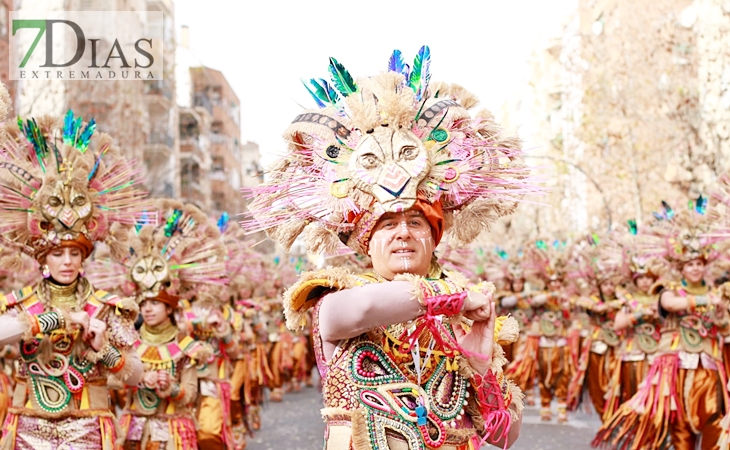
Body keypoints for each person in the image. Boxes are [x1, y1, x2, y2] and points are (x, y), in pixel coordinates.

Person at [244, 45, 534, 449]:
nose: (403, 233)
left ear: (434, 238)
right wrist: (449, 298)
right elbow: (361, 311)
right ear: (365, 240)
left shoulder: (466, 316)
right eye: (387, 225)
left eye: (416, 222)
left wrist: (480, 365)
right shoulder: (336, 296)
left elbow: (504, 437)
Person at [0, 101, 146, 449]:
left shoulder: (108, 307)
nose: (66, 261)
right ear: (43, 258)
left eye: (74, 253)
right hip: (28, 429)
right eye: (58, 253)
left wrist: (103, 349)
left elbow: (137, 376)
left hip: (88, 430)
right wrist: (54, 319)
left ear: (84, 257)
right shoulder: (21, 304)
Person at [87, 201, 221, 450]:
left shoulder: (186, 347)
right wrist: (139, 378)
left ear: (170, 307)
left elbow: (189, 395)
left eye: (155, 304)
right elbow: (110, 380)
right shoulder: (128, 341)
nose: (147, 309)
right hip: (132, 432)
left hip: (173, 432)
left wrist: (170, 388)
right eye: (144, 303)